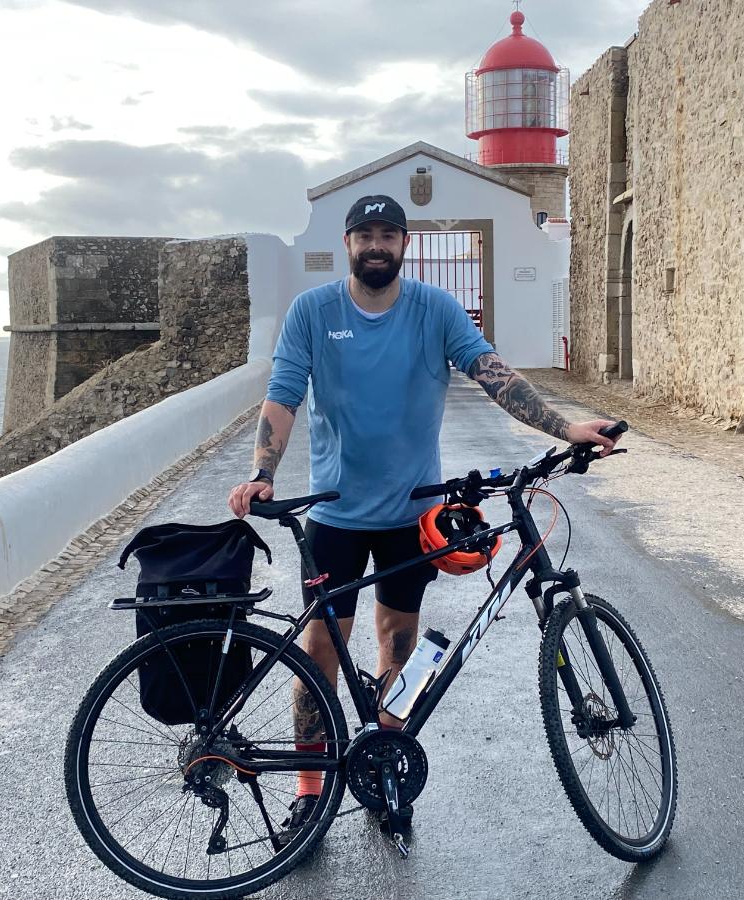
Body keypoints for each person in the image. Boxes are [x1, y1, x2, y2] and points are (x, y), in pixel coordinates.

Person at [227, 194, 617, 833]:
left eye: (388, 234)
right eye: (365, 235)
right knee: (320, 651)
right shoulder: (313, 311)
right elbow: (283, 395)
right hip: (335, 515)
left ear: (404, 244)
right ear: (348, 243)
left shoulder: (434, 309)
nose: (376, 245)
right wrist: (262, 473)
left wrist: (565, 427)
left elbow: (493, 373)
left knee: (399, 642)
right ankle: (309, 788)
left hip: (412, 515)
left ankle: (384, 766)